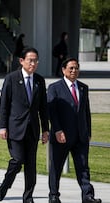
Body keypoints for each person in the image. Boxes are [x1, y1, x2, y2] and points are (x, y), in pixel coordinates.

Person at [0, 47, 49, 203]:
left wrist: (46, 129)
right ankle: (6, 184)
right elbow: (4, 104)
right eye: (30, 60)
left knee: (31, 166)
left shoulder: (39, 80)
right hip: (15, 128)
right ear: (21, 61)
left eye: (35, 61)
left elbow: (43, 107)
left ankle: (28, 197)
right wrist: (2, 126)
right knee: (18, 160)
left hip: (32, 129)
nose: (33, 63)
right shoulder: (11, 78)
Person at [47, 58, 102, 203]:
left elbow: (86, 111)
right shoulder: (54, 88)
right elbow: (52, 112)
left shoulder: (83, 87)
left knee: (83, 167)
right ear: (63, 70)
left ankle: (87, 195)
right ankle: (53, 195)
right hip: (61, 136)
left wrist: (88, 132)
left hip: (80, 136)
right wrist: (58, 130)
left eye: (76, 68)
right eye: (71, 68)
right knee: (56, 167)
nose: (74, 71)